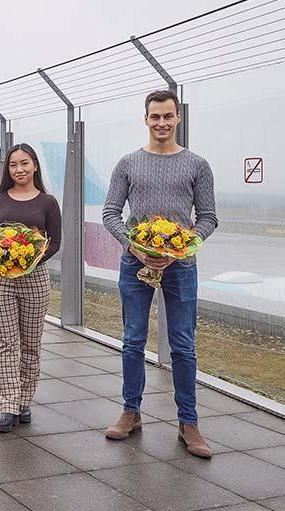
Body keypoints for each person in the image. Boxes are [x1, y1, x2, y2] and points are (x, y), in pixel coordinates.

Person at [102, 90, 218, 458]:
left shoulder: (198, 165)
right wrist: (133, 246)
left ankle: (189, 423)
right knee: (133, 340)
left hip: (181, 266)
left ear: (178, 118)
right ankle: (130, 413)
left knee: (183, 344)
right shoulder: (128, 164)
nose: (162, 123)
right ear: (146, 119)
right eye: (155, 117)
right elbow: (110, 213)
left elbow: (208, 217)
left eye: (168, 116)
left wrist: (183, 246)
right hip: (135, 262)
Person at [0, 143, 61, 432]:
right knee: (5, 342)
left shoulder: (48, 202)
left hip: (35, 279)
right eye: (13, 165)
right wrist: (5, 263)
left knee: (30, 343)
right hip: (2, 279)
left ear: (35, 165)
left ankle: (25, 400)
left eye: (24, 163)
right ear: (8, 169)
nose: (19, 170)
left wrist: (29, 261)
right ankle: (8, 405)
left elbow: (55, 242)